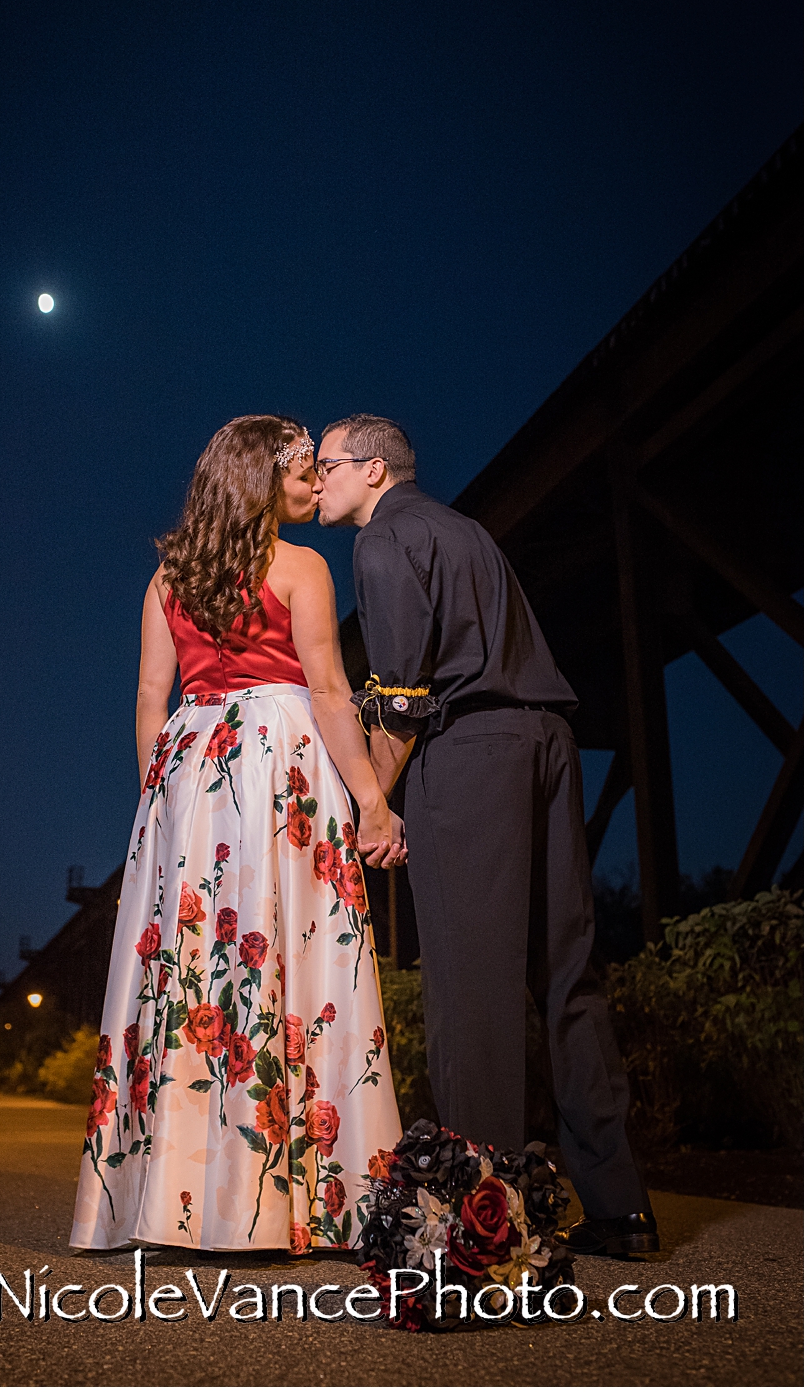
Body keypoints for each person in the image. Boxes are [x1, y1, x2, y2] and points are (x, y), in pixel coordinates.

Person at [315, 413, 656, 1256]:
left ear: (371, 470)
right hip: (548, 740)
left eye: (325, 466)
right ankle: (621, 1205)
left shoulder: (385, 538)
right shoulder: (464, 529)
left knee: (472, 986)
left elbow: (403, 693)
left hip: (472, 755)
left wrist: (374, 802)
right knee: (567, 969)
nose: (314, 481)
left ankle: (483, 1221)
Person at [71, 415, 406, 1256]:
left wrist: (164, 807)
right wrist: (370, 799)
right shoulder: (301, 567)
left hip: (191, 766)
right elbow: (329, 691)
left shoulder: (166, 578)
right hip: (278, 760)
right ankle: (310, 1198)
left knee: (195, 975)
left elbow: (152, 700)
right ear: (262, 477)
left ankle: (181, 1200)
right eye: (299, 469)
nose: (311, 484)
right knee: (289, 953)